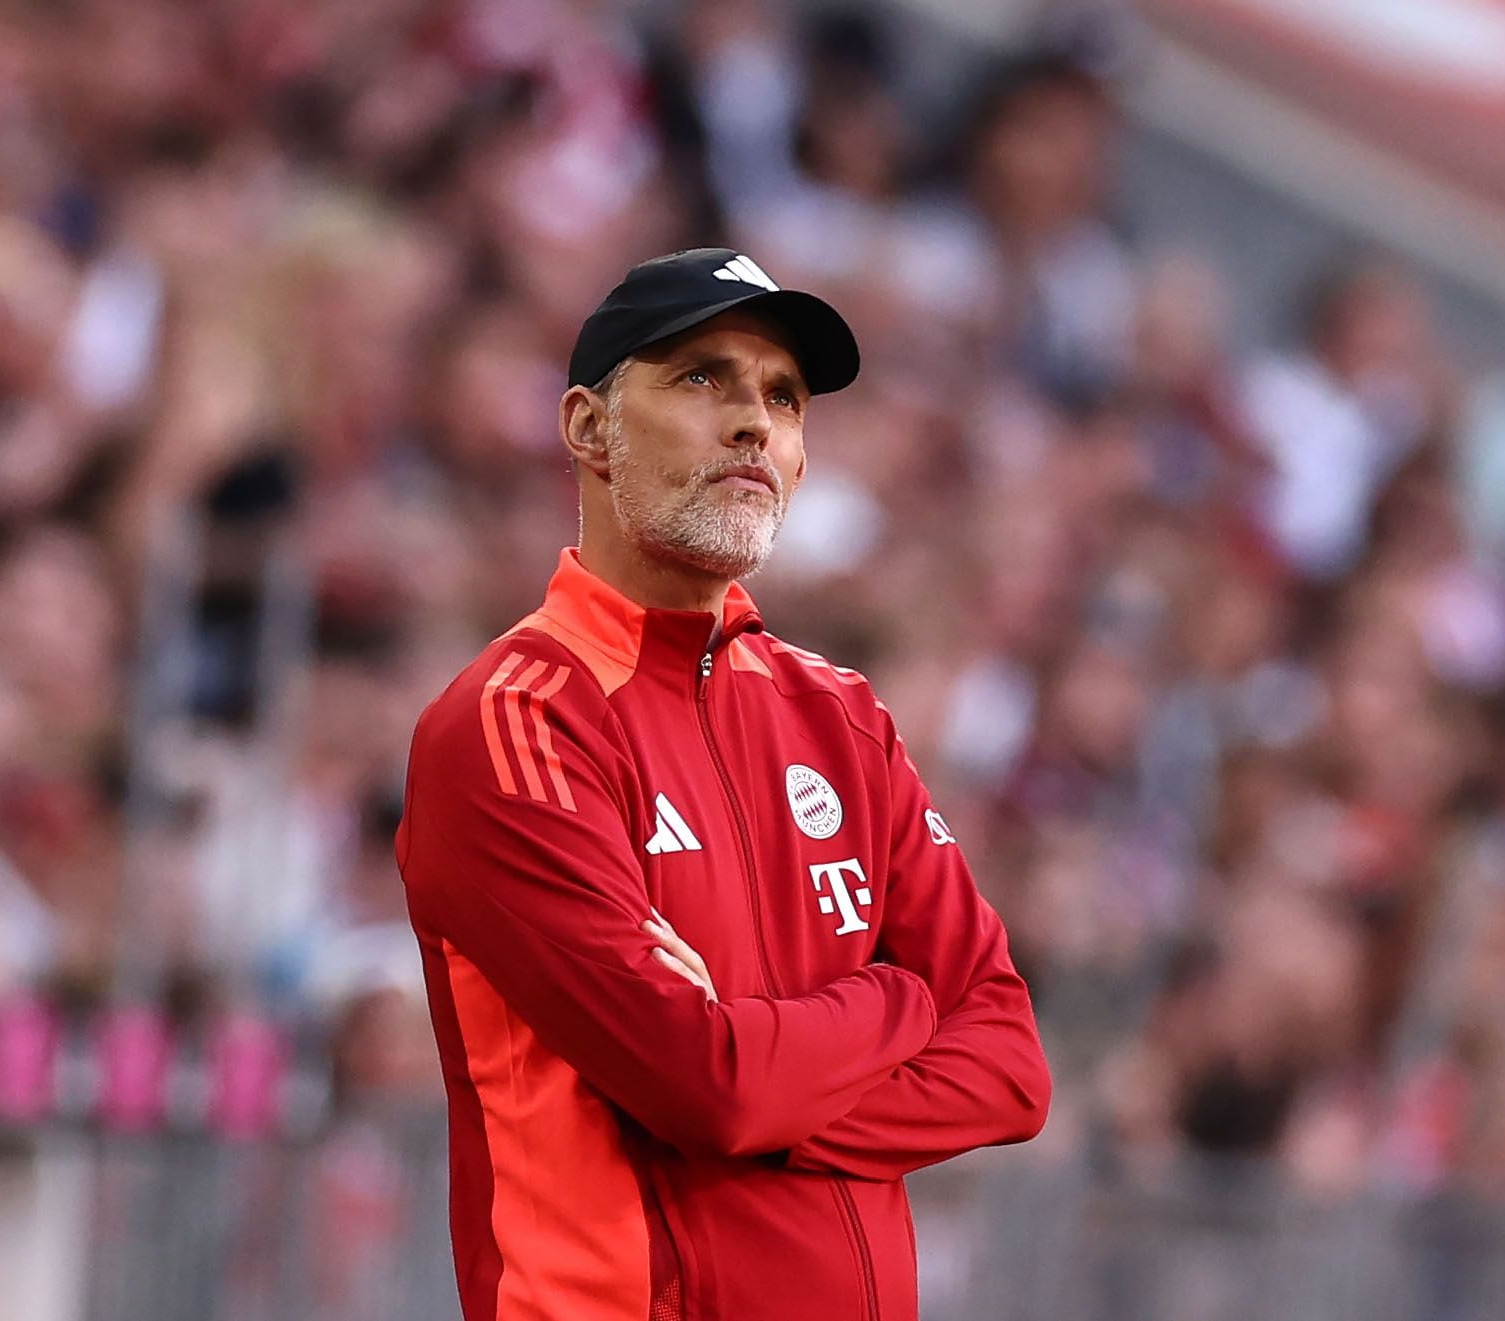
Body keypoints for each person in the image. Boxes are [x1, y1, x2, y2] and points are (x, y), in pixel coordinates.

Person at [394, 248, 1051, 1321]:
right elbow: (707, 1084)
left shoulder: (839, 714)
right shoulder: (514, 723)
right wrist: (895, 998)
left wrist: (759, 1078)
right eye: (702, 377)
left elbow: (1010, 1066)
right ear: (587, 427)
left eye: (782, 397)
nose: (754, 422)